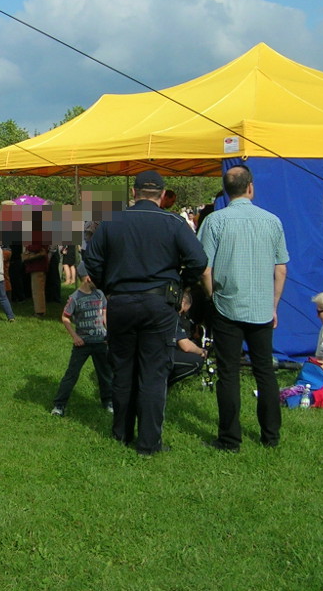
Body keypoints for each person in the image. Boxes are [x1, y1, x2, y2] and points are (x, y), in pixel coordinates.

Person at [85, 170, 208, 456]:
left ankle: (121, 434)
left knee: (123, 369)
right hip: (158, 303)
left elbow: (92, 259)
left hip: (122, 301)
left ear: (134, 193)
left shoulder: (111, 222)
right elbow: (198, 260)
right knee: (154, 372)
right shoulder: (174, 222)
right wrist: (181, 286)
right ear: (162, 195)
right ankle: (149, 443)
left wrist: (108, 287)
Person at [199, 165, 289, 452]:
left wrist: (212, 296)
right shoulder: (272, 221)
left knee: (228, 373)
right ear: (250, 187)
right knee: (265, 371)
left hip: (227, 304)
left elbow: (204, 268)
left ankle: (229, 439)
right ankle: (271, 436)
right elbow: (281, 269)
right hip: (261, 306)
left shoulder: (214, 221)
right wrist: (274, 305)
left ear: (226, 191)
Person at [51, 262, 113, 417]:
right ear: (88, 278)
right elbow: (65, 317)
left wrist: (109, 333)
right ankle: (59, 405)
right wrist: (75, 336)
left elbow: (104, 316)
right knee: (71, 374)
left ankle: (108, 401)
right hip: (82, 344)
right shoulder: (75, 298)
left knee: (105, 374)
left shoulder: (100, 294)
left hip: (100, 342)